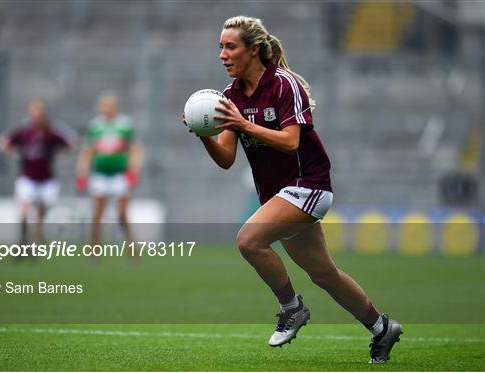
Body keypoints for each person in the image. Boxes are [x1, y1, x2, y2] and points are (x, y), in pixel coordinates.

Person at [183, 16, 402, 364]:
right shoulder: (229, 96)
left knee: (248, 240)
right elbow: (225, 159)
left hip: (308, 185)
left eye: (230, 47)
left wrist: (243, 124)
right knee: (324, 274)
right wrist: (205, 135)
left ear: (253, 50)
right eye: (220, 48)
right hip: (280, 195)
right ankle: (381, 327)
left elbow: (290, 142)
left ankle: (291, 308)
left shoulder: (284, 84)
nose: (223, 55)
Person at [0, 99, 76, 243]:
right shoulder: (24, 131)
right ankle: (22, 241)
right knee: (24, 212)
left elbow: (71, 142)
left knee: (41, 215)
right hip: (28, 177)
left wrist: (57, 151)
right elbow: (3, 142)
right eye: (34, 112)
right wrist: (16, 152)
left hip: (47, 178)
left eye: (39, 112)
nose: (36, 116)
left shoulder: (51, 131)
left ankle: (35, 241)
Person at [76, 92, 142, 247]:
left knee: (122, 215)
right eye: (105, 106)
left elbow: (134, 149)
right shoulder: (95, 125)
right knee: (97, 215)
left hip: (119, 175)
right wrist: (81, 174)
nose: (107, 109)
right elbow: (87, 152)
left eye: (110, 106)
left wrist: (134, 170)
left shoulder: (124, 124)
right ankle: (95, 250)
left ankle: (131, 248)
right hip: (100, 175)